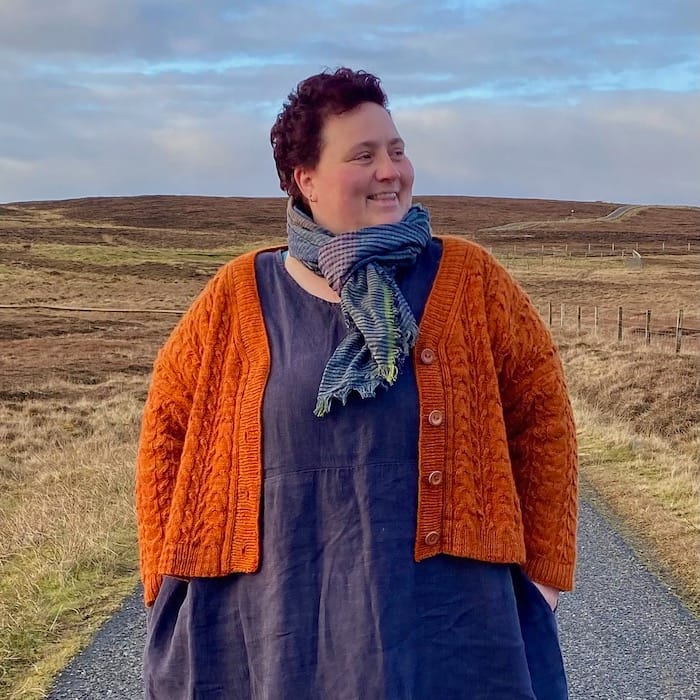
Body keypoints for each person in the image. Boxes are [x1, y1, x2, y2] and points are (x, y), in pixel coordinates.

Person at [136, 67, 578, 700]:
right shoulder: (237, 298)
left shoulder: (470, 280)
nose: (389, 171)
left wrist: (543, 579)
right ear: (305, 179)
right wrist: (161, 584)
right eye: (363, 155)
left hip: (452, 624)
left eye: (396, 151)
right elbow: (165, 435)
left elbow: (544, 417)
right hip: (264, 627)